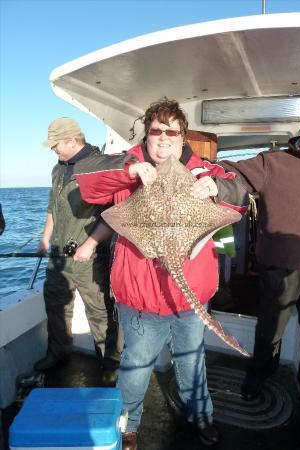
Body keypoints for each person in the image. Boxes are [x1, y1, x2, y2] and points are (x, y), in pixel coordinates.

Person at [75, 98, 249, 450]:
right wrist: (130, 172)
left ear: (183, 137)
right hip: (140, 297)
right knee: (137, 365)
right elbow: (87, 179)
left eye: (173, 131)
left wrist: (218, 189)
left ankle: (201, 417)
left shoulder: (204, 170)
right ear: (146, 134)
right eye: (157, 131)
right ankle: (128, 425)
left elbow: (240, 195)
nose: (165, 138)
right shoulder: (128, 164)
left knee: (191, 362)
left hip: (190, 296)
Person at [220, 103, 300, 443]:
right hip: (277, 268)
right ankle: (258, 378)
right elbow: (232, 174)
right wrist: (215, 187)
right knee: (269, 332)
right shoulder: (272, 162)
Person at [34, 117, 121, 386]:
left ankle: (109, 361)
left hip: (89, 255)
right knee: (56, 304)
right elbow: (53, 206)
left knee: (99, 310)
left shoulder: (98, 167)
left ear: (72, 141)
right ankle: (58, 353)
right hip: (58, 253)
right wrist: (45, 239)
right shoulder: (57, 169)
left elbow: (112, 213)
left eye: (56, 144)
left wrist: (90, 244)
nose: (53, 150)